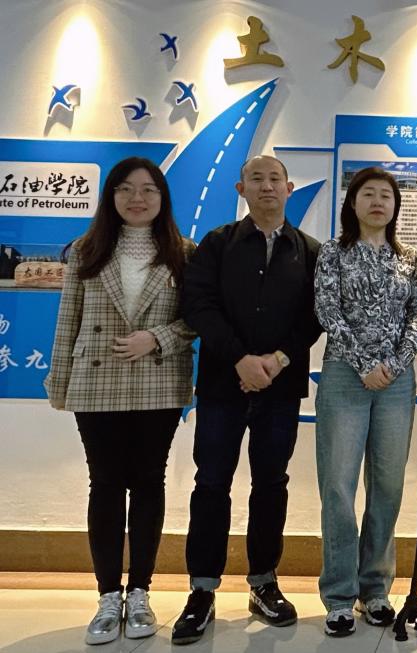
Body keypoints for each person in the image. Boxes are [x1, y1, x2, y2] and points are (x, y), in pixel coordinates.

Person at [171, 155, 322, 645]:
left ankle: (263, 582)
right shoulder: (216, 244)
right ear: (241, 189)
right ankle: (202, 590)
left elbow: (316, 315)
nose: (266, 186)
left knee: (271, 483)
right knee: (211, 483)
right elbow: (198, 305)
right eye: (256, 179)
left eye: (275, 179)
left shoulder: (311, 251)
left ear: (289, 188)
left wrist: (276, 360)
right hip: (222, 384)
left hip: (282, 387)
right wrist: (240, 359)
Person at [45, 157, 194, 645]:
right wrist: (60, 382)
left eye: (148, 189)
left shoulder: (183, 252)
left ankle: (142, 592)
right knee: (106, 484)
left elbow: (197, 318)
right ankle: (109, 596)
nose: (137, 198)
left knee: (149, 482)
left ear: (162, 198)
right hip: (97, 380)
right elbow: (68, 319)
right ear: (111, 196)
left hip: (158, 381)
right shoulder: (86, 250)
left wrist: (158, 338)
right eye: (126, 189)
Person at [313, 167, 417, 637]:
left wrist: (396, 364)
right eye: (369, 194)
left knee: (388, 485)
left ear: (396, 206)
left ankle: (375, 590)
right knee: (339, 486)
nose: (378, 202)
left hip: (397, 382)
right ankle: (340, 595)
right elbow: (327, 310)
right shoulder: (333, 253)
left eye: (386, 196)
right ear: (353, 203)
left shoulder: (408, 257)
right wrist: (364, 364)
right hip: (345, 375)